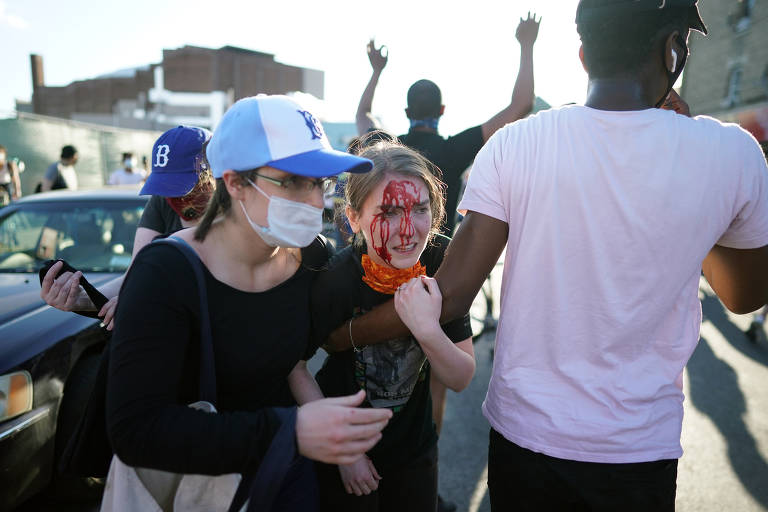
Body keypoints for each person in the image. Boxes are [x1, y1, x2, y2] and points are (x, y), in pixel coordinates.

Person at [322, 1, 768, 510]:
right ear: (672, 50)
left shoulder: (518, 145)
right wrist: (695, 203)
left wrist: (345, 334)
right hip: (638, 449)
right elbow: (743, 296)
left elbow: (448, 298)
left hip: (526, 441)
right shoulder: (731, 154)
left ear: (582, 55)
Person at [105, 95, 391, 509]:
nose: (315, 201)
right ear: (235, 182)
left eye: (320, 183)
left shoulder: (312, 257)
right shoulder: (165, 272)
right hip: (198, 488)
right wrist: (287, 430)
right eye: (294, 180)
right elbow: (135, 430)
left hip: (286, 476)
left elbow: (294, 363)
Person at [310, 138, 474, 511]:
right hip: (345, 448)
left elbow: (462, 376)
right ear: (353, 219)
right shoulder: (337, 278)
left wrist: (427, 329)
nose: (408, 230)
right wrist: (342, 451)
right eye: (387, 213)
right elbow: (291, 367)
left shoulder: (438, 260)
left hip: (414, 452)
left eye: (420, 208)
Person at [356, 12, 540, 237]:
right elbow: (521, 104)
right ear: (442, 110)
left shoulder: (389, 149)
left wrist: (376, 71)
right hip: (438, 266)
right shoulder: (455, 149)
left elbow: (363, 114)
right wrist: (527, 44)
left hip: (387, 261)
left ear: (407, 112)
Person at [41, 125, 214, 330]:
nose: (173, 196)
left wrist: (143, 299)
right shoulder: (161, 202)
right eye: (166, 185)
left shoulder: (237, 211)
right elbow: (136, 275)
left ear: (214, 174)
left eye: (181, 185)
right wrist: (80, 300)